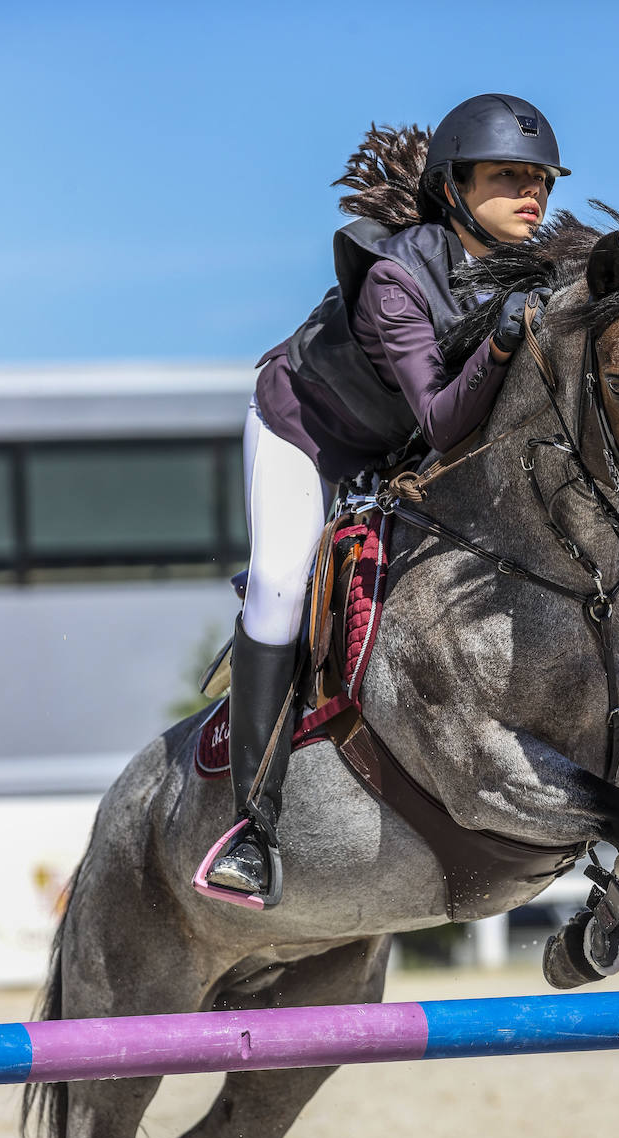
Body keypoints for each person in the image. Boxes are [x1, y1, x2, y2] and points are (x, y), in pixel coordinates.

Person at [204, 93, 570, 904]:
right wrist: (502, 341)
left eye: (541, 180)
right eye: (508, 177)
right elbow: (441, 417)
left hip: (395, 451)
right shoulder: (395, 280)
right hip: (306, 431)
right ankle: (252, 831)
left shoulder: (535, 271)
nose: (532, 193)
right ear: (453, 188)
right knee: (279, 588)